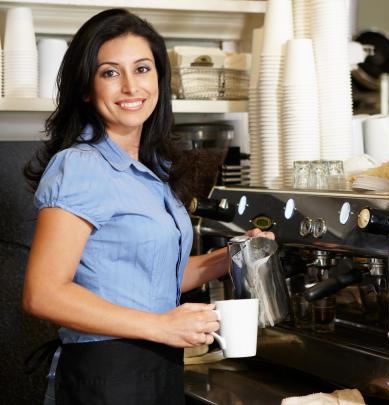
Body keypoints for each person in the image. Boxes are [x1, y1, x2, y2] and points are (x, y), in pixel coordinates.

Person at [22, 8, 272, 405]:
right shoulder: (80, 166)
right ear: (86, 88)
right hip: (106, 375)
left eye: (142, 69)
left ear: (159, 78)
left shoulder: (149, 170)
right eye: (110, 72)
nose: (130, 86)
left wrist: (232, 255)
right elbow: (44, 294)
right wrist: (161, 325)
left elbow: (151, 277)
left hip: (156, 366)